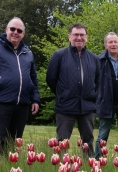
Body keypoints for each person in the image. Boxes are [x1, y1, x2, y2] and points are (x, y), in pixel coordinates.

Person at [0, 17, 40, 154]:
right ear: (6, 30)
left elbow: (33, 78)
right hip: (2, 102)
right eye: (12, 29)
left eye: (19, 30)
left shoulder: (28, 52)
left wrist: (35, 98)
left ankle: (12, 171)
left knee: (15, 140)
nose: (15, 32)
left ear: (23, 34)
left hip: (23, 104)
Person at [46, 23, 100, 158]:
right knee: (62, 141)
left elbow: (98, 82)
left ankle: (89, 168)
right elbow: (51, 79)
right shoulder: (59, 55)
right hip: (65, 106)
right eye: (76, 35)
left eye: (82, 35)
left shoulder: (94, 58)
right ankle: (59, 168)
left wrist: (93, 96)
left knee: (88, 141)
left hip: (87, 106)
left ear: (86, 37)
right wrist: (63, 93)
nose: (79, 38)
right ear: (69, 36)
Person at [95, 32, 118, 159]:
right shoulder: (98, 60)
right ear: (105, 45)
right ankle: (97, 162)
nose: (113, 44)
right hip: (105, 102)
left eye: (115, 42)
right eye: (110, 42)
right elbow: (93, 82)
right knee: (102, 135)